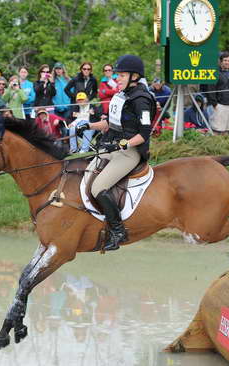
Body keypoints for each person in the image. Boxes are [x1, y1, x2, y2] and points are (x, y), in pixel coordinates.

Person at [76, 55, 156, 251]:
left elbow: (144, 134)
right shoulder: (121, 96)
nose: (117, 78)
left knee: (98, 187)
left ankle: (118, 231)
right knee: (84, 173)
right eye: (117, 75)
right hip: (111, 147)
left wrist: (121, 145)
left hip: (130, 152)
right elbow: (111, 124)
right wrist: (89, 125)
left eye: (121, 75)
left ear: (134, 76)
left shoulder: (141, 100)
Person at [201, 52, 229, 135]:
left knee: (228, 130)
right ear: (221, 61)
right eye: (225, 60)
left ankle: (225, 147)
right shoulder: (215, 73)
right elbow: (210, 89)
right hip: (220, 105)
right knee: (217, 130)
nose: (227, 62)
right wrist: (215, 104)